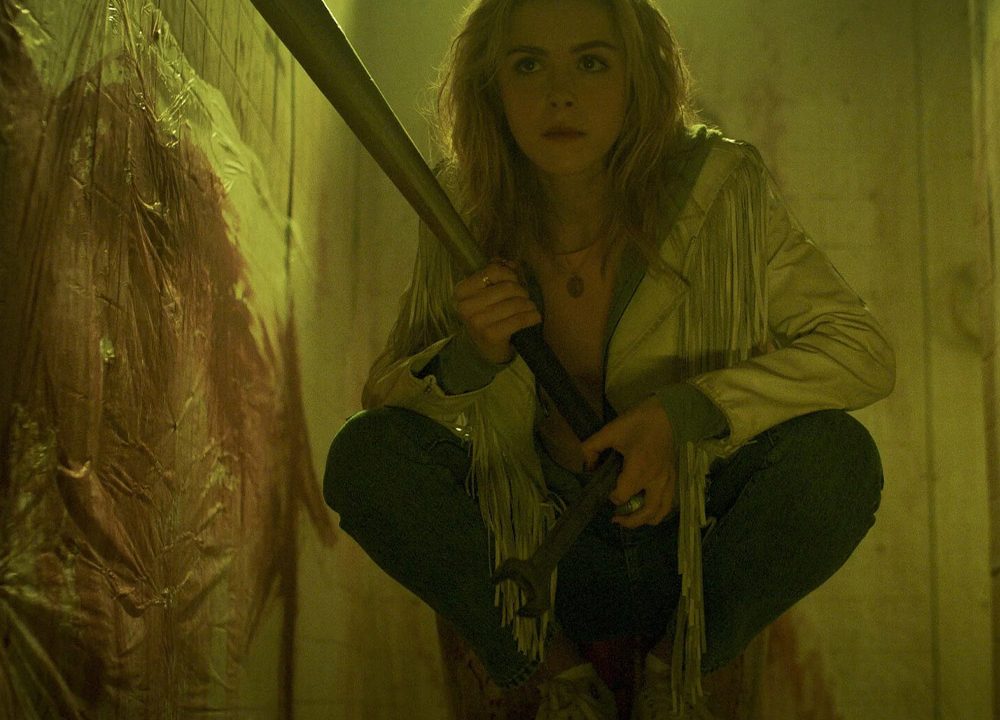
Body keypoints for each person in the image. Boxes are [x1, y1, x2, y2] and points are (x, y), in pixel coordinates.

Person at [324, 0, 895, 718]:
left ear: (637, 78)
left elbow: (862, 352)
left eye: (591, 62)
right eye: (528, 65)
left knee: (838, 458)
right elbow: (388, 401)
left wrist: (685, 414)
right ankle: (552, 677)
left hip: (693, 547)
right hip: (544, 556)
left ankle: (676, 671)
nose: (559, 94)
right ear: (492, 87)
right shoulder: (461, 207)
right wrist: (471, 356)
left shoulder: (720, 191)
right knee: (363, 457)